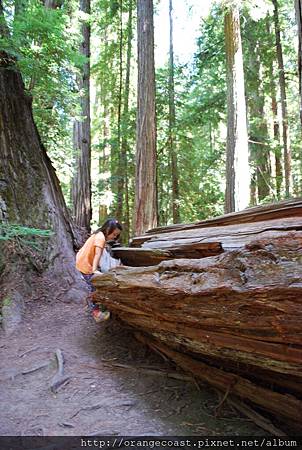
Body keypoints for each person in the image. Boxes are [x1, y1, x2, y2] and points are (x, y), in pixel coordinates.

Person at [76, 218, 123, 322]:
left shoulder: (99, 235)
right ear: (108, 230)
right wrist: (94, 270)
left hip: (83, 261)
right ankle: (96, 312)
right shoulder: (100, 238)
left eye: (116, 235)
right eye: (114, 234)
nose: (115, 237)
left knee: (94, 285)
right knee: (94, 286)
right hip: (85, 265)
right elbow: (97, 254)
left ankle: (97, 307)